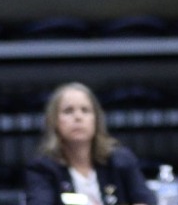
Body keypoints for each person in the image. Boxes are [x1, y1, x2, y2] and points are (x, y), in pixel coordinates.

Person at [24, 84, 153, 205]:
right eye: (68, 111)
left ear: (96, 119)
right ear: (54, 121)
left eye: (85, 110)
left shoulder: (120, 160)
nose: (78, 117)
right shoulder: (42, 168)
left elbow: (144, 200)